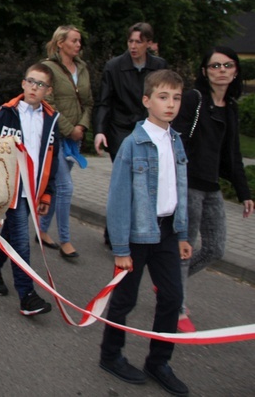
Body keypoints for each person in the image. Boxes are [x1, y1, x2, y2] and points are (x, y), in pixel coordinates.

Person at [100, 70, 191, 397]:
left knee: (172, 297)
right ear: (146, 100)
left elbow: (179, 190)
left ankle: (159, 361)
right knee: (125, 299)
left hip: (166, 233)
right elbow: (119, 199)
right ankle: (110, 355)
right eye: (163, 97)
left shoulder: (176, 140)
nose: (170, 104)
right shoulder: (133, 144)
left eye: (176, 97)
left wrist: (182, 235)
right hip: (137, 234)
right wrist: (121, 247)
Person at [172, 46, 253, 333]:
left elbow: (232, 155)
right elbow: (176, 138)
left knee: (216, 249)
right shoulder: (195, 99)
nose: (222, 71)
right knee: (185, 247)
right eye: (215, 66)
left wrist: (244, 193)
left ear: (235, 71)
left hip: (213, 187)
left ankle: (169, 282)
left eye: (227, 65)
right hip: (189, 184)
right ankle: (177, 307)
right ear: (205, 71)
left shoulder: (230, 108)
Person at [0, 63, 58, 316]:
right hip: (12, 188)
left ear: (48, 90)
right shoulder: (7, 113)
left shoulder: (50, 118)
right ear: (23, 83)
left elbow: (51, 158)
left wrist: (47, 193)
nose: (34, 87)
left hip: (34, 190)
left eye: (41, 84)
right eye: (31, 81)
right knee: (22, 242)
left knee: (12, 236)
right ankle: (27, 295)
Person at [39, 25, 93, 258]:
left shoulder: (82, 68)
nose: (78, 44)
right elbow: (48, 103)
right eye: (74, 40)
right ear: (60, 43)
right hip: (56, 136)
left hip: (76, 137)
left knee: (59, 187)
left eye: (80, 41)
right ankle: (65, 241)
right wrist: (69, 129)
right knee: (65, 187)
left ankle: (41, 230)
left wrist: (82, 126)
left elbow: (89, 102)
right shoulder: (48, 68)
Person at [94, 23, 167, 159]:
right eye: (130, 41)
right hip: (120, 130)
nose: (133, 46)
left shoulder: (159, 66)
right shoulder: (113, 67)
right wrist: (100, 131)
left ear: (148, 43)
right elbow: (103, 102)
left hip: (150, 129)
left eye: (138, 42)